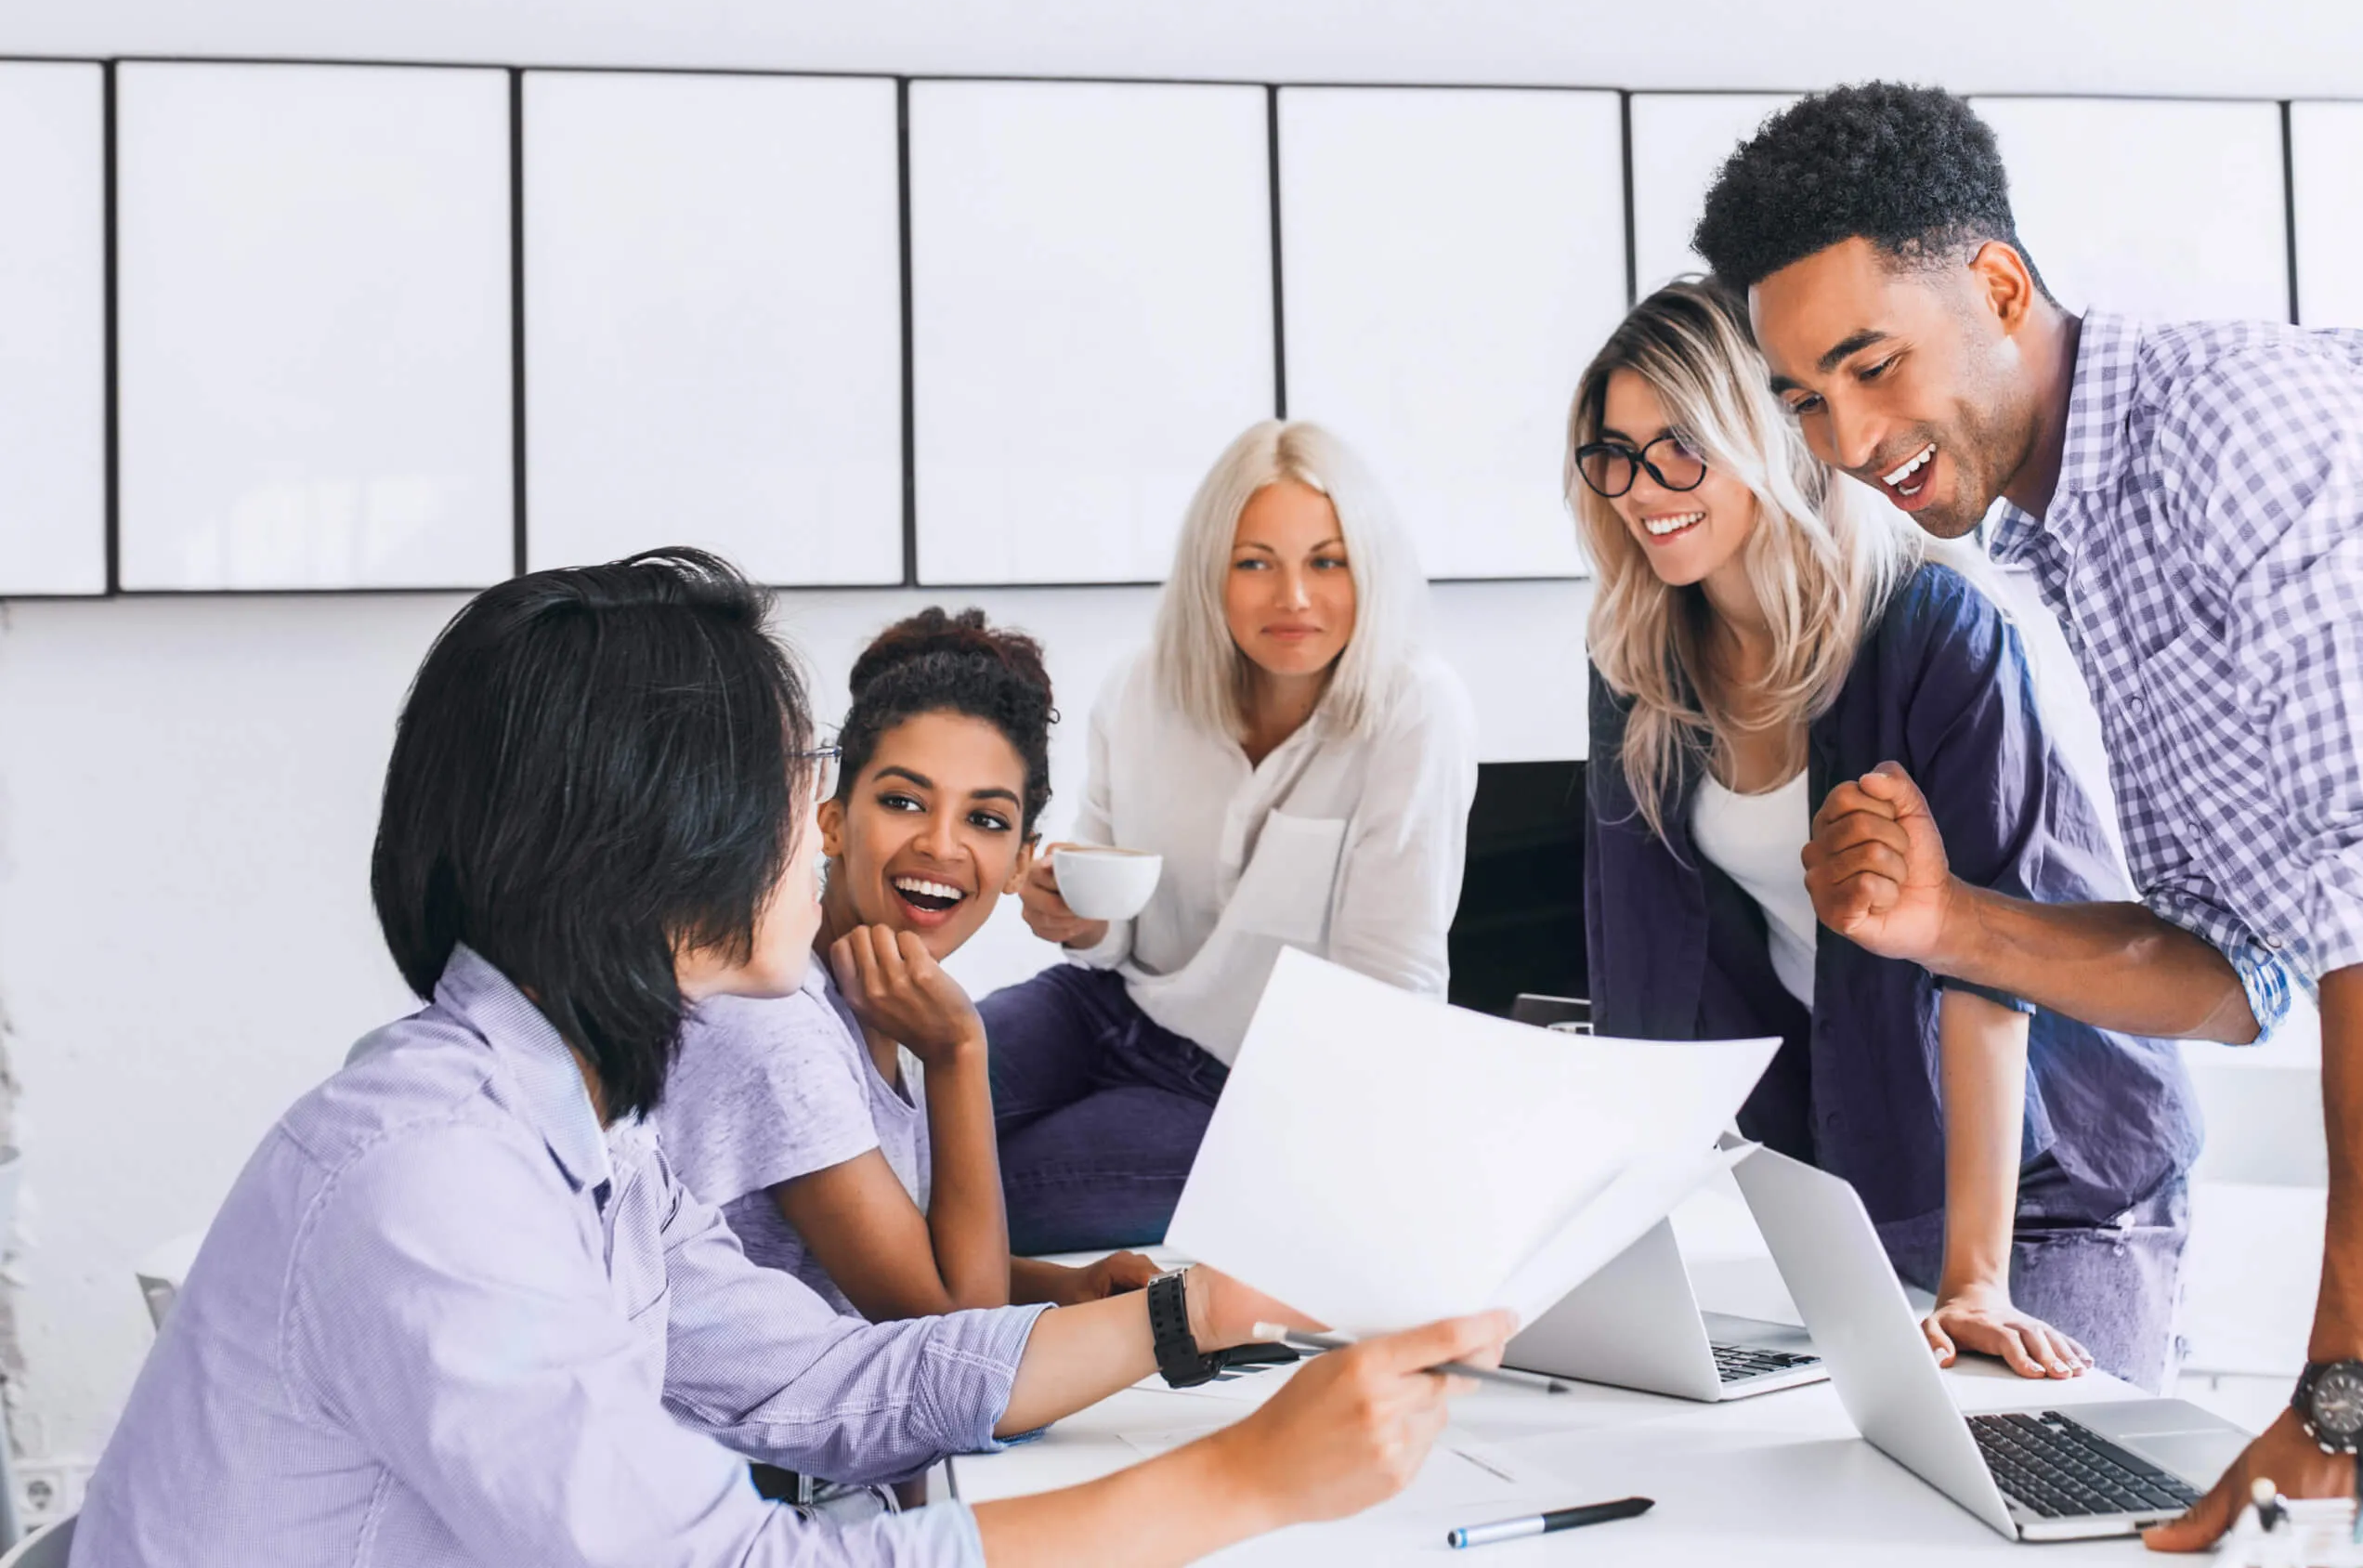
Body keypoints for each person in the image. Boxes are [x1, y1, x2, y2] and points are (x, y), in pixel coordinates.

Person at [74, 548, 1513, 1568]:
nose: (820, 829)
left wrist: (1187, 1317)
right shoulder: (435, 1181)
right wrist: (1244, 1483)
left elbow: (827, 1384)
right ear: (658, 837)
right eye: (800, 780)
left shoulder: (588, 1141)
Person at [1701, 84, 2363, 1564]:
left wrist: (2354, 1402)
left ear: (1998, 288)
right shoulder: (2073, 541)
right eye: (1804, 403)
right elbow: (2240, 972)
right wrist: (1952, 925)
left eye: (1871, 364)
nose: (1848, 438)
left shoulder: (2249, 424)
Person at [1572, 278, 2201, 1390]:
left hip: (2048, 1178)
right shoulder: (1640, 668)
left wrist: (1977, 1280)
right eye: (1614, 455)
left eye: (1680, 449)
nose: (1641, 490)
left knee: (2032, 1461)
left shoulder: (1933, 628)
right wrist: (1596, 1244)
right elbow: (1635, 970)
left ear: (1769, 438)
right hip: (1862, 1164)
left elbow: (1987, 963)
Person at [988, 420, 1478, 1253]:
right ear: (1209, 570)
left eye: (1326, 562)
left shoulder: (1414, 710)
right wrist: (1078, 919)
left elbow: (1390, 991)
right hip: (1106, 1009)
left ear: (1369, 567)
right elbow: (1110, 936)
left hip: (1250, 1096)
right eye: (1255, 563)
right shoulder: (1140, 689)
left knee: (978, 1193)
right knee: (893, 1102)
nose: (1294, 598)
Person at [653, 608, 1156, 1334]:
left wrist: (1064, 1289)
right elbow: (955, 1338)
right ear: (831, 821)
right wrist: (958, 1052)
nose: (941, 845)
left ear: (1020, 862)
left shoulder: (884, 994)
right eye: (902, 802)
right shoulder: (780, 1029)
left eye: (985, 820)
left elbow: (908, 1257)